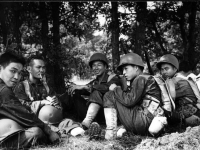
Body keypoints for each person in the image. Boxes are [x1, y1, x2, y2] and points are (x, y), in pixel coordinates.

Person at [14, 55, 84, 137]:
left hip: (52, 120)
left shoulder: (46, 86)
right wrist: (42, 102)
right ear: (29, 69)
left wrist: (56, 102)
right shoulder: (21, 86)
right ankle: (63, 131)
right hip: (32, 121)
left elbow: (57, 104)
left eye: (43, 68)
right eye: (38, 67)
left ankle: (73, 130)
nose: (42, 70)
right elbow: (21, 107)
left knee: (68, 122)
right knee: (40, 130)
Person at [0, 52, 59, 149]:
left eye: (19, 73)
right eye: (12, 71)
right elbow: (23, 114)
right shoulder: (4, 90)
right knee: (37, 132)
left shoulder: (46, 86)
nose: (16, 77)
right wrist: (49, 131)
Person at [102, 52, 165, 140]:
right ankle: (120, 131)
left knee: (109, 95)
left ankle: (110, 134)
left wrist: (116, 89)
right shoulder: (147, 78)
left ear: (136, 68)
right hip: (149, 121)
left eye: (126, 69)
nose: (123, 72)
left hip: (144, 121)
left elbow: (129, 101)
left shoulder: (140, 78)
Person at [65, 52, 122, 130]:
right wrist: (75, 88)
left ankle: (87, 121)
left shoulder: (114, 77)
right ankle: (74, 117)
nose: (96, 68)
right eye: (94, 65)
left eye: (99, 65)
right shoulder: (95, 82)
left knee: (96, 91)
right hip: (97, 115)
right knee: (76, 93)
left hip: (109, 114)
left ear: (105, 67)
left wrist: (86, 87)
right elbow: (84, 89)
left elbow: (107, 87)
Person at [156, 54, 200, 127]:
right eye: (162, 69)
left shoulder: (177, 81)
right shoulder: (174, 80)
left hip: (190, 111)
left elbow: (164, 97)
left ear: (175, 69)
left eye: (166, 69)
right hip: (189, 109)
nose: (164, 72)